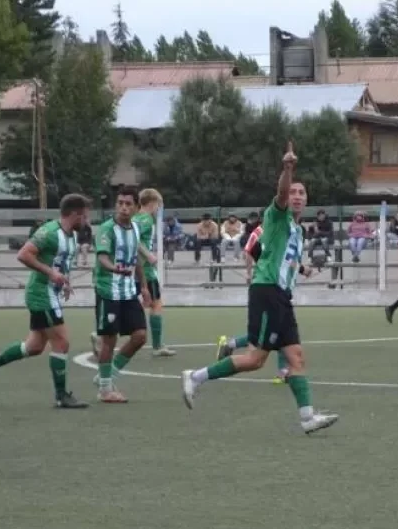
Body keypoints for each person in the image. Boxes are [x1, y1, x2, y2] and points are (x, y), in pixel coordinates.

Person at [181, 140, 339, 435]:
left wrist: (303, 269)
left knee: (296, 357)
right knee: (255, 359)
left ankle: (307, 418)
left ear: (307, 199)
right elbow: (280, 194)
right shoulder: (276, 216)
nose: (296, 196)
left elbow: (286, 258)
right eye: (293, 192)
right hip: (267, 291)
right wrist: (287, 170)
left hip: (282, 296)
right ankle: (196, 376)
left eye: (301, 193)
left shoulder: (297, 230)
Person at [0, 194, 91, 409]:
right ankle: (61, 396)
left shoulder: (71, 236)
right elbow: (24, 254)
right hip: (41, 294)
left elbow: (59, 263)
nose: (86, 221)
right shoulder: (49, 232)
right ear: (75, 214)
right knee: (62, 342)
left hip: (51, 294)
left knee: (34, 347)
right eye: (85, 216)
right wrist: (51, 274)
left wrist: (65, 282)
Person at [88, 186, 151, 403]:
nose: (123, 208)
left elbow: (137, 259)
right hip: (109, 291)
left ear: (136, 207)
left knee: (140, 336)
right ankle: (105, 390)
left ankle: (106, 376)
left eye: (128, 204)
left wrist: (144, 287)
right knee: (110, 340)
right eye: (120, 203)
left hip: (129, 291)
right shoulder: (107, 229)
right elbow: (102, 258)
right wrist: (115, 269)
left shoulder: (135, 228)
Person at [215, 222, 299, 384]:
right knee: (273, 329)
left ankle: (231, 344)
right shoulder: (261, 231)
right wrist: (249, 273)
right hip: (268, 287)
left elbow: (287, 259)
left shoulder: (288, 230)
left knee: (274, 329)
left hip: (282, 285)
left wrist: (301, 270)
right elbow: (249, 251)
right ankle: (282, 371)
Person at [133, 188, 176, 357]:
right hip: (144, 270)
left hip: (135, 268)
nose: (159, 209)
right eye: (159, 205)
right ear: (152, 203)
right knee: (156, 304)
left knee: (126, 303)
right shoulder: (145, 219)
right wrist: (148, 255)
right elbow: (133, 239)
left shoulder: (136, 218)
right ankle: (157, 346)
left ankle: (101, 335)